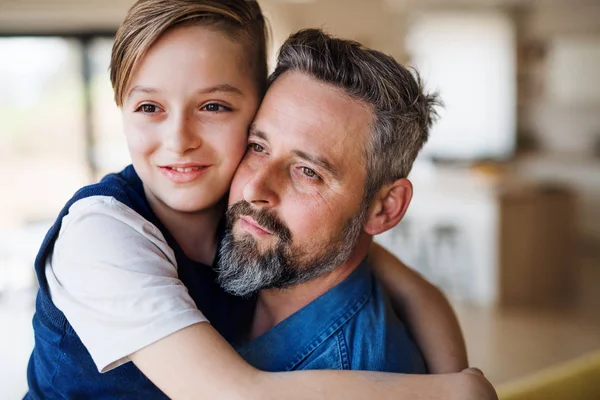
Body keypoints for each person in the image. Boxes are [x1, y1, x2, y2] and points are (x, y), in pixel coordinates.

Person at [25, 1, 497, 399]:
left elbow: (416, 291)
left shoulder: (240, 214)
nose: (178, 140)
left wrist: (455, 380)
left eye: (213, 107)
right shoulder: (105, 236)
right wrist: (452, 390)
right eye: (260, 147)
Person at [220, 28, 435, 374]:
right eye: (258, 147)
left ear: (384, 208)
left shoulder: (362, 379)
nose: (253, 190)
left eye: (307, 171)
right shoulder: (215, 257)